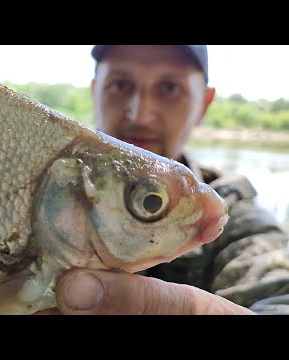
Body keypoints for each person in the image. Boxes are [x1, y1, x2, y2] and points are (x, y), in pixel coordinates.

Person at [39, 45, 289, 315]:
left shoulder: (228, 219)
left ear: (203, 104)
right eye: (120, 85)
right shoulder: (31, 173)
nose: (140, 114)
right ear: (94, 90)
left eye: (169, 88)